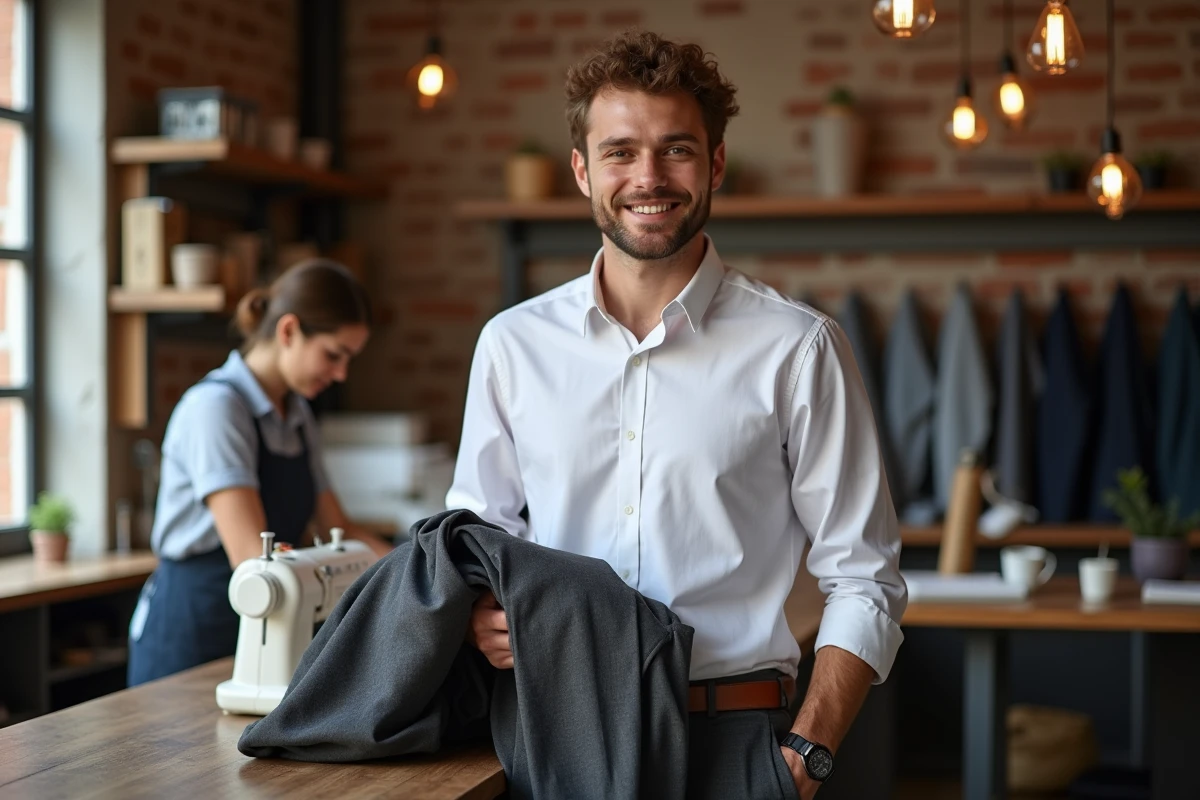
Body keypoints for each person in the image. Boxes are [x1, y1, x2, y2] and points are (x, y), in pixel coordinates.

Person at [447, 31, 906, 798]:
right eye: (621, 151)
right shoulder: (511, 346)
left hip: (737, 747)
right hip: (555, 735)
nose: (648, 177)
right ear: (582, 170)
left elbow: (866, 578)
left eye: (677, 149)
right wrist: (476, 615)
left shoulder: (799, 348)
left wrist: (805, 759)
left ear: (715, 163)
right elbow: (475, 545)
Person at [128, 259, 392, 687]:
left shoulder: (299, 414)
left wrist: (416, 570)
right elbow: (252, 557)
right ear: (289, 331)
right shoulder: (216, 409)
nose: (341, 374)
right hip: (195, 627)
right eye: (333, 354)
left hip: (266, 622)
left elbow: (338, 526)